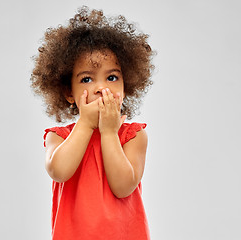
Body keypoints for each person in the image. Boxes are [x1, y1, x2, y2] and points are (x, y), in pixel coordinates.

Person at [30, 6, 155, 240]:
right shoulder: (58, 137)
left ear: (125, 87)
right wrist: (86, 125)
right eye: (87, 79)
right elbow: (59, 171)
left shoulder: (133, 136)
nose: (101, 87)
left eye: (112, 77)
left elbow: (123, 186)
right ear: (69, 92)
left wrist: (109, 133)